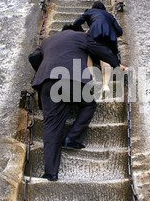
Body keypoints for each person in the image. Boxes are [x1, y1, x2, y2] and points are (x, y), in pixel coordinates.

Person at [28, 27, 126, 182]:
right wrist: (117, 65)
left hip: (46, 82)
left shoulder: (48, 41)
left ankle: (50, 172)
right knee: (89, 104)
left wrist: (44, 71)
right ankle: (72, 138)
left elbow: (33, 57)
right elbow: (102, 51)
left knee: (51, 125)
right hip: (72, 79)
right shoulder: (81, 36)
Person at [73, 0, 123, 93]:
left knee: (88, 53)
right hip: (108, 38)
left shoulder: (89, 11)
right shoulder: (109, 15)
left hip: (93, 35)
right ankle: (105, 85)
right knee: (105, 58)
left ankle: (91, 77)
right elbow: (119, 31)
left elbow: (76, 23)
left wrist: (83, 32)